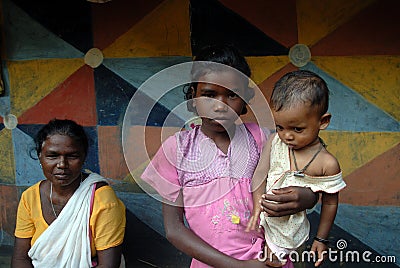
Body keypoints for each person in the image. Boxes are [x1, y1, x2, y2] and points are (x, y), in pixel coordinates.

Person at [141, 44, 319, 268]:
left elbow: (308, 186)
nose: (220, 105)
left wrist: (307, 198)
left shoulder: (262, 140)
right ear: (193, 96)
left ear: (244, 99)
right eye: (209, 94)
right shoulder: (176, 151)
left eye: (232, 95)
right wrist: (238, 267)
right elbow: (174, 230)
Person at [246, 70, 346, 267]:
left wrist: (321, 239)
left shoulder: (326, 164)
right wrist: (257, 205)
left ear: (322, 121)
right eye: (280, 127)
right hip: (260, 225)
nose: (287, 136)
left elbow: (330, 203)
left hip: (293, 233)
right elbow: (260, 174)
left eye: (297, 129)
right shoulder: (275, 142)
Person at [12, 119, 126, 268]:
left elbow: (108, 265)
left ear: (84, 157)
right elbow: (20, 259)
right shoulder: (30, 197)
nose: (62, 165)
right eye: (52, 156)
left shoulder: (103, 200)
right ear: (40, 157)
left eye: (72, 156)